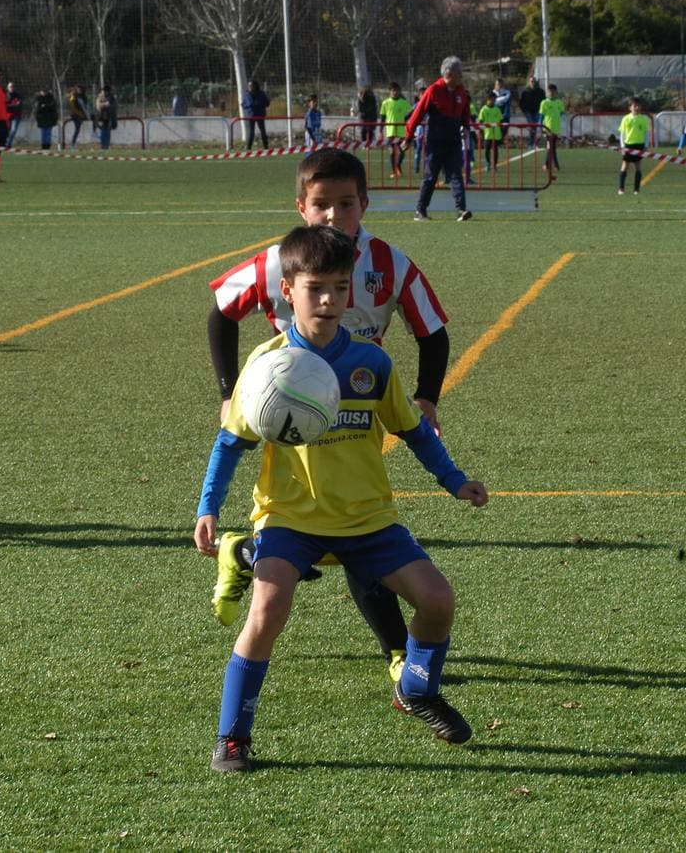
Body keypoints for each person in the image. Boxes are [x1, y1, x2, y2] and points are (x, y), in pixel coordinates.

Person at [196, 223, 488, 772]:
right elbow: (230, 442)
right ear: (288, 291)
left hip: (369, 519)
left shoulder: (372, 363)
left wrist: (453, 480)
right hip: (290, 517)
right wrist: (208, 506)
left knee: (438, 601)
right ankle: (232, 737)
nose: (328, 299)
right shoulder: (266, 367)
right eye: (314, 288)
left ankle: (417, 688)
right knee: (268, 609)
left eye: (338, 287)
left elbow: (415, 429)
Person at [206, 148, 454, 684]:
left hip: (359, 402)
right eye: (322, 206)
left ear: (364, 205)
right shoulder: (278, 262)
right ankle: (395, 651)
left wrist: (427, 396)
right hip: (290, 413)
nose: (334, 218)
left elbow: (432, 332)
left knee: (361, 525)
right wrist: (229, 391)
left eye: (346, 205)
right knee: (325, 526)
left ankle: (243, 552)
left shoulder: (392, 263)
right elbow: (222, 312)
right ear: (302, 207)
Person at [403, 56, 473, 222]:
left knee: (456, 174)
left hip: (454, 141)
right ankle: (420, 210)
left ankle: (461, 210)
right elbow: (417, 114)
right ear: (449, 73)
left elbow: (465, 112)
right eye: (459, 71)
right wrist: (408, 136)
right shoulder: (433, 90)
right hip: (435, 141)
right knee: (430, 176)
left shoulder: (461, 91)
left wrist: (467, 127)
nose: (462, 75)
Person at [616, 97, 650, 196]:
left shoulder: (643, 119)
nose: (636, 107)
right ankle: (621, 188)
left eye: (638, 106)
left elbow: (646, 133)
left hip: (639, 145)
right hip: (628, 145)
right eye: (634, 106)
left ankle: (636, 189)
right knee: (625, 165)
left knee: (638, 167)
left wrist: (646, 145)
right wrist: (622, 146)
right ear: (630, 108)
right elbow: (622, 133)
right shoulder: (626, 119)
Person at [378, 82, 411, 178]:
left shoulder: (404, 103)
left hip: (401, 131)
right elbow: (383, 117)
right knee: (392, 152)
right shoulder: (385, 103)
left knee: (402, 150)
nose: (395, 92)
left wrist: (405, 120)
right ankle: (394, 172)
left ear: (399, 91)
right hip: (390, 131)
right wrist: (380, 131)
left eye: (396, 90)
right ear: (390, 92)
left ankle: (398, 165)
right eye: (393, 90)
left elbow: (410, 114)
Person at [538, 83, 565, 179]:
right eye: (549, 92)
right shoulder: (544, 103)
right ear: (547, 93)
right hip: (547, 128)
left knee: (551, 147)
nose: (551, 94)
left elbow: (561, 112)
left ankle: (547, 164)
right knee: (552, 147)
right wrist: (540, 126)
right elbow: (541, 115)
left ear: (556, 93)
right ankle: (555, 165)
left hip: (556, 129)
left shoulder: (559, 102)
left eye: (553, 92)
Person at [476, 91, 504, 174]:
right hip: (487, 134)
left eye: (494, 99)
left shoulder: (497, 109)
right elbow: (480, 122)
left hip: (496, 134)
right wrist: (481, 133)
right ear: (487, 100)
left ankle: (494, 165)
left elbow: (501, 121)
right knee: (487, 150)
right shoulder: (483, 110)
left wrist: (502, 132)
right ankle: (488, 163)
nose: (493, 101)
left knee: (495, 150)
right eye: (491, 99)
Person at [241, 80, 270, 150]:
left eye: (251, 85)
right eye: (249, 86)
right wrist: (249, 107)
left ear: (255, 86)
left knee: (263, 131)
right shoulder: (247, 95)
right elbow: (243, 104)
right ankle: (248, 147)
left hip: (260, 115)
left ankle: (266, 147)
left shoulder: (261, 94)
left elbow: (267, 103)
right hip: (251, 116)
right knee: (251, 132)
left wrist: (259, 105)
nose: (250, 87)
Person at [94, 85, 117, 150]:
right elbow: (98, 106)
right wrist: (101, 103)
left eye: (104, 91)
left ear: (107, 91)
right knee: (103, 132)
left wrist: (101, 104)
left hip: (109, 117)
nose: (103, 92)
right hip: (103, 117)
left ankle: (106, 146)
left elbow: (107, 105)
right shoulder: (102, 97)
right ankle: (103, 146)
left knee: (107, 132)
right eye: (103, 91)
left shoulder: (111, 97)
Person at [4, 81, 23, 148]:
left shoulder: (18, 95)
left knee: (13, 130)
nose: (12, 88)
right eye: (10, 86)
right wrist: (13, 105)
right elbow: (4, 106)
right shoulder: (5, 95)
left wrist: (10, 105)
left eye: (13, 86)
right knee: (7, 130)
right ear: (7, 88)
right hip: (7, 115)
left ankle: (8, 144)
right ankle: (6, 143)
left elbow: (19, 105)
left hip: (16, 116)